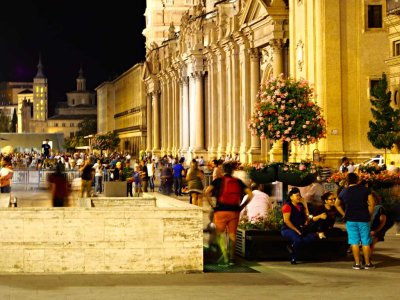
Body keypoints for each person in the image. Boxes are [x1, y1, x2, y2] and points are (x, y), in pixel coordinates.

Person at [204, 162, 253, 265]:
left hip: (220, 210)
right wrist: (242, 206)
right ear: (232, 171)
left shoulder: (218, 180)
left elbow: (206, 192)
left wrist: (212, 205)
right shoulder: (238, 181)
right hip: (234, 211)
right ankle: (232, 259)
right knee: (232, 235)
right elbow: (250, 194)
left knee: (219, 235)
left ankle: (224, 254)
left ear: (223, 170)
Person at [335, 173, 375, 270]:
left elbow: (337, 204)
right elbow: (372, 203)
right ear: (358, 180)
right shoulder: (365, 190)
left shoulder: (344, 191)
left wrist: (344, 214)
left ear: (347, 181)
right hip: (363, 219)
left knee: (354, 242)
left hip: (350, 219)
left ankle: (357, 264)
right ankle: (367, 263)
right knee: (365, 241)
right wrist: (369, 214)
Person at [281, 187, 318, 265]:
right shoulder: (287, 206)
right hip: (288, 229)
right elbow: (286, 221)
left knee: (311, 237)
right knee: (298, 239)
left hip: (300, 228)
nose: (299, 197)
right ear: (291, 197)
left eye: (299, 195)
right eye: (297, 195)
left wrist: (305, 205)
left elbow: (307, 217)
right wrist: (296, 230)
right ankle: (294, 258)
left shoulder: (301, 206)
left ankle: (292, 246)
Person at [370, 192, 394, 256]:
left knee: (371, 243)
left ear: (375, 199)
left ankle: (367, 259)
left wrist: (376, 231)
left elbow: (383, 221)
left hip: (376, 230)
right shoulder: (367, 207)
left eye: (370, 199)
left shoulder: (379, 208)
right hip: (368, 229)